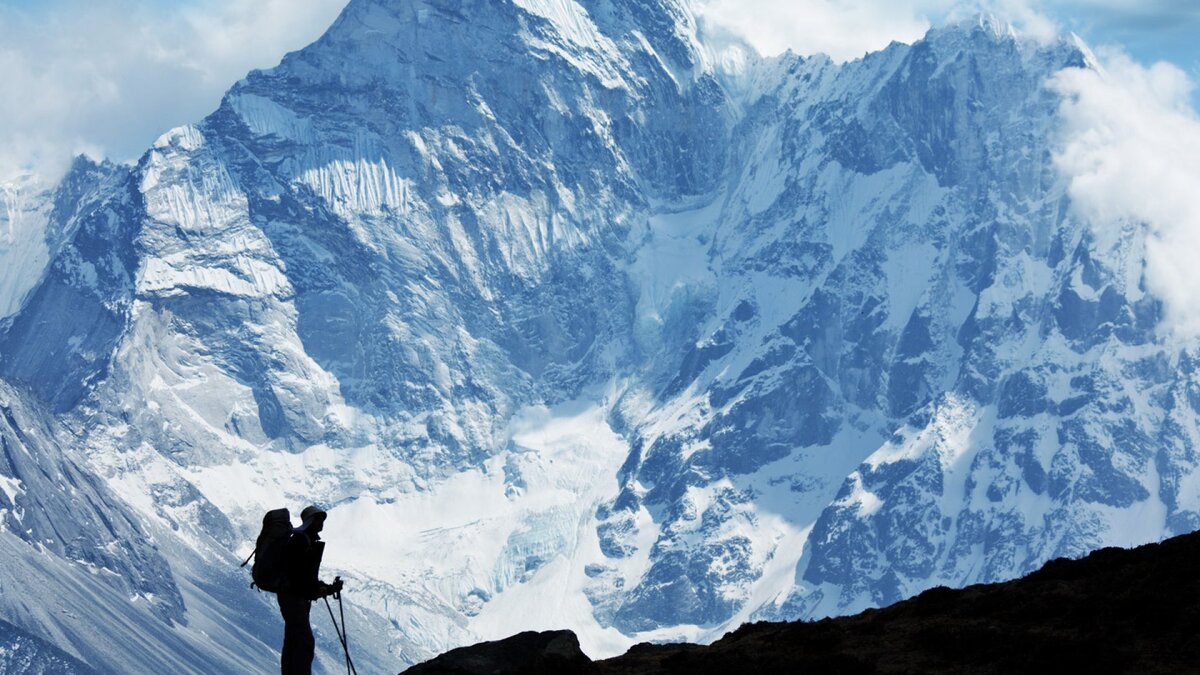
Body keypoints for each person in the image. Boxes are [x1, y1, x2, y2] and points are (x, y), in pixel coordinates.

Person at [278, 505, 343, 675]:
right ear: (310, 521)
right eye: (318, 519)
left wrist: (324, 588)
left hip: (292, 597)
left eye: (322, 519)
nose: (321, 522)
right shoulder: (301, 541)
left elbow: (304, 577)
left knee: (293, 641)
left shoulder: (304, 540)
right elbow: (301, 577)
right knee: (304, 642)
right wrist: (323, 589)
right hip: (294, 598)